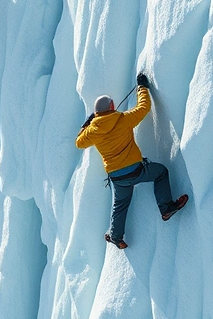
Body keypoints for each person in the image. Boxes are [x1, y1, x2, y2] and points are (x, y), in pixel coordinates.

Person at [76, 73, 189, 249]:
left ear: (97, 113)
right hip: (136, 170)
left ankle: (116, 237)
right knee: (160, 172)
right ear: (112, 106)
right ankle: (166, 207)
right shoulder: (123, 119)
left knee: (120, 204)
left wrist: (88, 124)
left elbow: (79, 142)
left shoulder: (92, 132)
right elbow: (144, 107)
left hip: (117, 177)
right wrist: (142, 87)